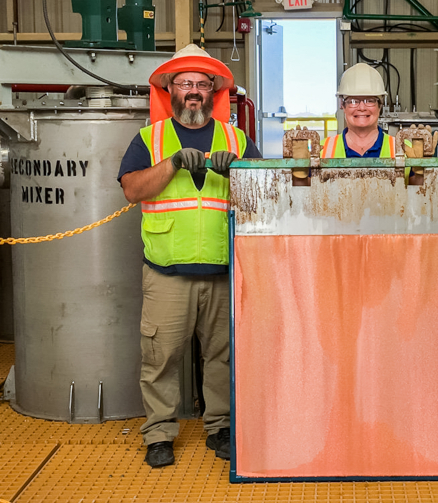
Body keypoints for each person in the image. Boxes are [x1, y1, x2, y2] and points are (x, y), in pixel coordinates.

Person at [118, 44, 261, 468]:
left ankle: (220, 427)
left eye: (202, 84)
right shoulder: (150, 139)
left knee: (221, 356)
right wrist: (173, 164)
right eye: (186, 84)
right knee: (161, 356)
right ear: (171, 90)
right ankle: (159, 433)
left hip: (222, 268)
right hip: (167, 271)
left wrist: (237, 170)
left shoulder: (236, 139)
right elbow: (132, 190)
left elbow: (264, 197)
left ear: (214, 91)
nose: (194, 91)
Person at [321, 63, 395, 158]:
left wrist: (418, 169)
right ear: (342, 105)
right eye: (353, 101)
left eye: (369, 101)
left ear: (380, 105)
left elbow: (417, 173)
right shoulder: (322, 149)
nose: (361, 108)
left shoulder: (402, 148)